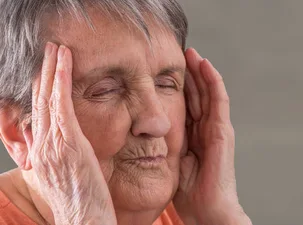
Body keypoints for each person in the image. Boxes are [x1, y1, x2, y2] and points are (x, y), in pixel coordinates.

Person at [0, 0, 252, 224]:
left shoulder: (188, 214)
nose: (158, 122)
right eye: (106, 90)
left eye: (166, 84)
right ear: (18, 133)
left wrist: (218, 218)